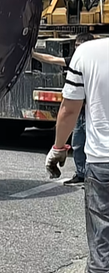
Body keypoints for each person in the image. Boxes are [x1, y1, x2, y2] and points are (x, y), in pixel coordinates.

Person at [45, 36, 109, 273]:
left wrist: (58, 147)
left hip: (102, 161)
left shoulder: (87, 53)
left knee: (102, 243)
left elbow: (69, 110)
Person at [33, 32, 96, 185]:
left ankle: (94, 176)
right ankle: (81, 174)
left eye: (81, 47)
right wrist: (33, 54)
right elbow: (53, 59)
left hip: (94, 111)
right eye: (76, 47)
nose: (78, 50)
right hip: (80, 111)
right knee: (78, 143)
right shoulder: (76, 61)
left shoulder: (96, 63)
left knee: (94, 145)